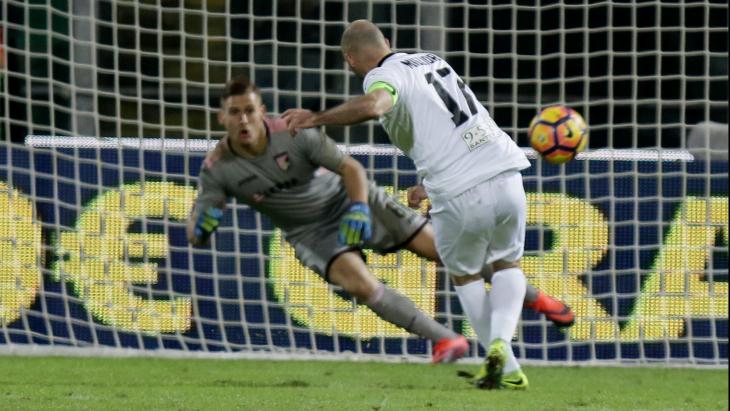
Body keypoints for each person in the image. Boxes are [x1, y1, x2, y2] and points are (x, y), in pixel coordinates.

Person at [282, 19, 539, 390]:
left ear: (350, 59)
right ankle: (505, 358)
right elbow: (449, 126)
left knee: (465, 275)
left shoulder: (381, 76)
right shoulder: (431, 60)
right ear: (386, 41)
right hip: (506, 172)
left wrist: (316, 119)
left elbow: (376, 105)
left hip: (459, 189)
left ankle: (503, 359)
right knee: (507, 264)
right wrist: (425, 184)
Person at [188, 75, 470, 364]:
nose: (243, 120)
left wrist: (359, 208)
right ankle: (446, 339)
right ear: (222, 118)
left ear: (262, 112)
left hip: (348, 198)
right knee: (360, 286)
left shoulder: (293, 133)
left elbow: (351, 169)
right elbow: (196, 233)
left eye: (249, 110)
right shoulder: (217, 169)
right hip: (311, 232)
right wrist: (201, 228)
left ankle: (504, 284)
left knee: (444, 251)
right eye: (235, 112)